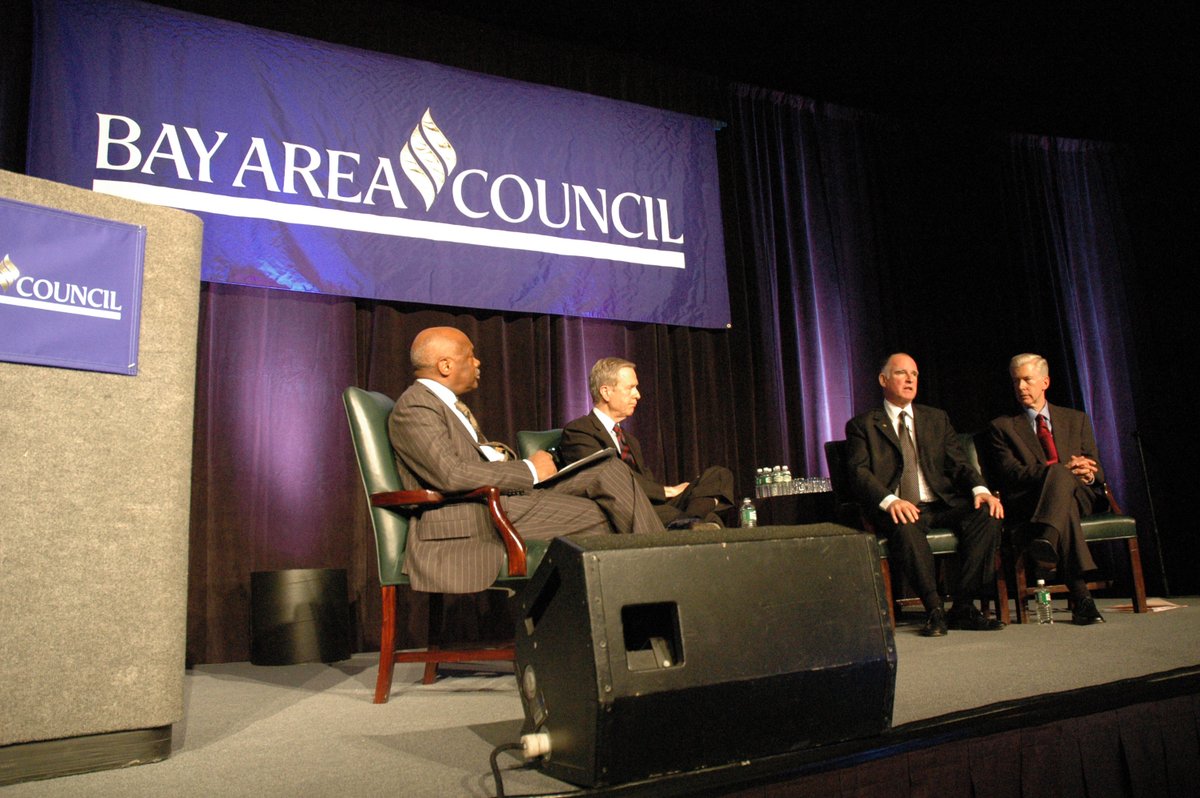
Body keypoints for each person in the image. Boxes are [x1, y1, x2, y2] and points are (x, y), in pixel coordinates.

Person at [387, 327, 665, 594]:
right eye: (470, 355)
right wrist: (530, 469)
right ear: (445, 366)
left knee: (607, 468)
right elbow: (451, 475)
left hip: (505, 500)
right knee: (602, 514)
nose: (478, 361)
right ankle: (665, 580)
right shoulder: (416, 406)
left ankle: (663, 573)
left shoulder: (448, 405)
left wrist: (521, 465)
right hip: (475, 514)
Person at [845, 353, 1005, 636]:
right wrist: (890, 500)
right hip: (898, 507)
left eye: (915, 374)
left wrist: (981, 490)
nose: (910, 379)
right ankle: (934, 609)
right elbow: (859, 474)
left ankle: (963, 607)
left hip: (941, 503)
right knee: (905, 523)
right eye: (901, 373)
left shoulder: (936, 419)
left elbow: (960, 463)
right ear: (883, 380)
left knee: (987, 514)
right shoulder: (863, 425)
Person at [985, 353, 1109, 625]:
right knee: (1061, 491)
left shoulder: (1076, 419)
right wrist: (1062, 470)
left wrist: (1088, 473)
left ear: (1045, 382)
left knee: (1064, 489)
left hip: (1081, 495)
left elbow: (1097, 468)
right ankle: (1082, 598)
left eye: (1027, 380)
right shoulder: (1002, 427)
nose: (1021, 387)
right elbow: (1012, 473)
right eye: (1016, 381)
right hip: (1031, 500)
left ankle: (1047, 539)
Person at [559, 357, 735, 529]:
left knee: (718, 475)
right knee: (712, 518)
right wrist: (666, 491)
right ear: (606, 392)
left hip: (655, 503)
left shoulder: (630, 440)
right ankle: (694, 521)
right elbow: (606, 480)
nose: (638, 395)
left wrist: (669, 493)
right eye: (631, 388)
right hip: (624, 510)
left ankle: (690, 520)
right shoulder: (579, 431)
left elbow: (648, 482)